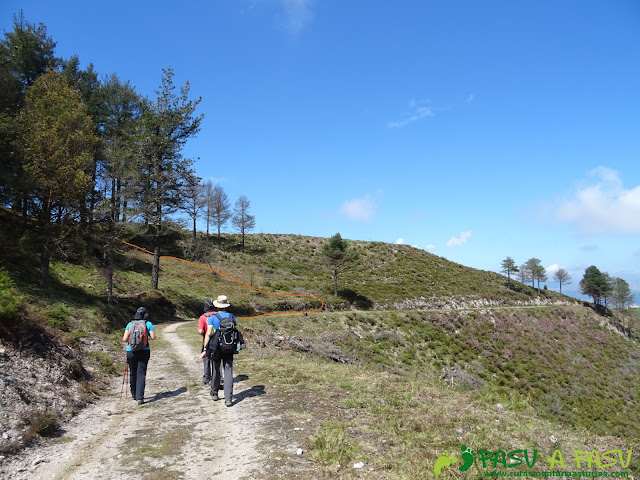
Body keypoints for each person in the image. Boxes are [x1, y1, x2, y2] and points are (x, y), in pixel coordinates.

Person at [200, 295, 237, 407]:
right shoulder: (232, 316)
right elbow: (234, 329)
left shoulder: (213, 317)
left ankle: (215, 393)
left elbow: (208, 333)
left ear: (217, 306)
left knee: (216, 369)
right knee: (228, 370)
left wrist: (205, 348)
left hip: (215, 347)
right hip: (229, 346)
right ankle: (229, 398)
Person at [123, 307, 156, 405]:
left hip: (131, 351)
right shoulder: (148, 324)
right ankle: (140, 397)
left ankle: (133, 393)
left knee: (133, 372)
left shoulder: (130, 324)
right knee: (141, 373)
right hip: (144, 351)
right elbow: (153, 337)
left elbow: (124, 339)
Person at [198, 299, 216, 385]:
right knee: (216, 360)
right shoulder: (217, 315)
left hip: (206, 340)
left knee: (206, 359)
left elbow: (200, 330)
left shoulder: (203, 317)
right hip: (217, 341)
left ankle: (206, 378)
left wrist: (204, 334)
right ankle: (218, 378)